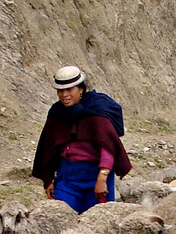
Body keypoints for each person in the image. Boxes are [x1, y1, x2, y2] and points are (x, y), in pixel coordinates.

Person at [31, 65, 131, 213]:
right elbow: (48, 148)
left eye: (69, 90)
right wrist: (48, 180)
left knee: (97, 224)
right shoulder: (57, 113)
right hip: (67, 177)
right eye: (60, 90)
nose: (64, 95)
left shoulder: (97, 111)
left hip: (95, 175)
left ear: (81, 89)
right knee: (62, 218)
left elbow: (108, 148)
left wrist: (102, 179)